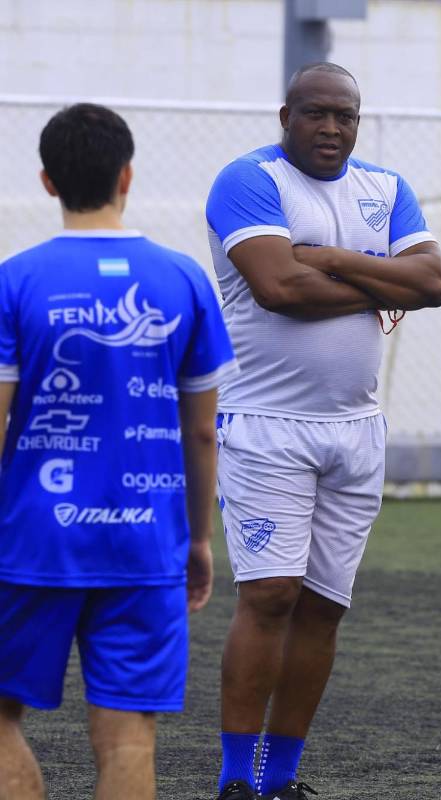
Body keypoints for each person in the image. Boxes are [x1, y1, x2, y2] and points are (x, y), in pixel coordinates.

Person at [205, 62, 441, 800]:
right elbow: (278, 288)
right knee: (270, 596)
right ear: (286, 115)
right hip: (266, 427)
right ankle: (234, 781)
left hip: (356, 430)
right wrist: (380, 279)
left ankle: (281, 780)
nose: (333, 129)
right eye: (317, 114)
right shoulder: (248, 181)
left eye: (346, 116)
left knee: (322, 606)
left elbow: (433, 283)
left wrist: (336, 261)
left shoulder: (387, 188)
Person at [0, 103, 235, 799]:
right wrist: (197, 539)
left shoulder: (15, 280)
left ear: (47, 182)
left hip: (30, 543)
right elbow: (201, 432)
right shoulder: (184, 279)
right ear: (127, 174)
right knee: (130, 733)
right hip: (146, 543)